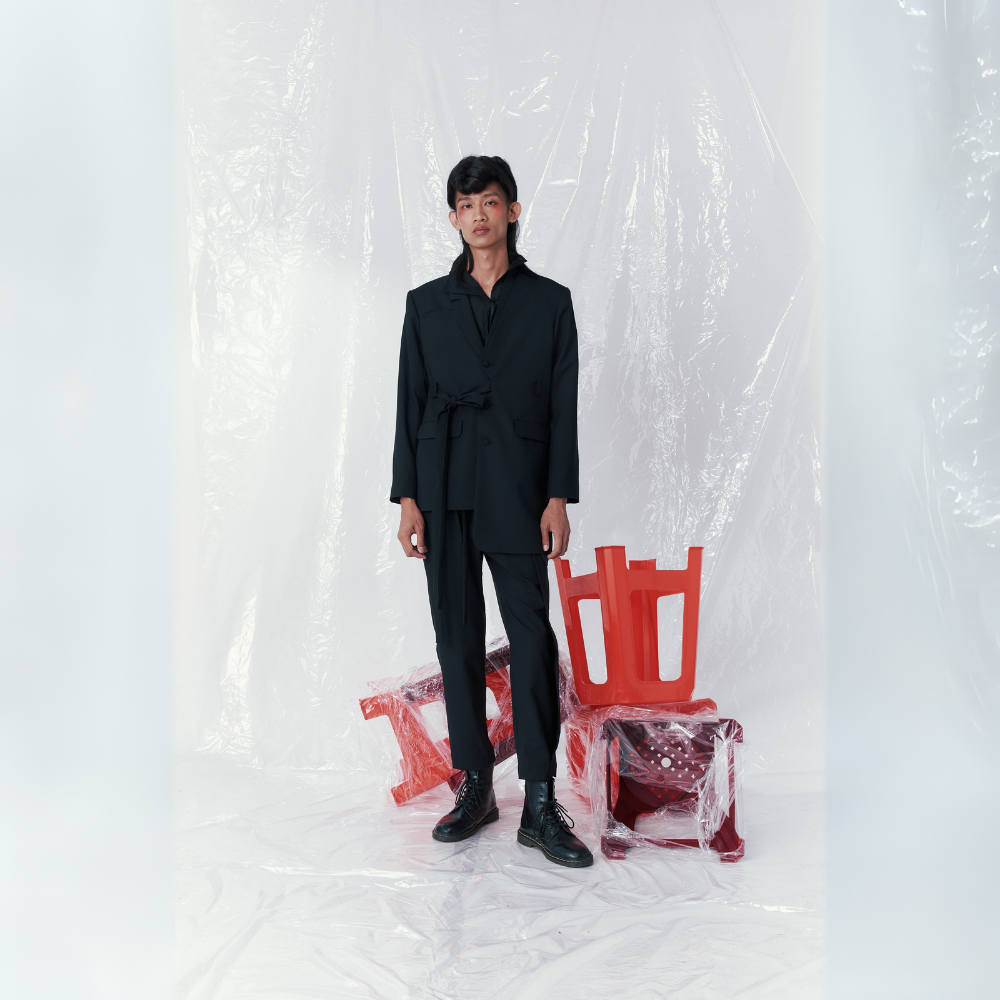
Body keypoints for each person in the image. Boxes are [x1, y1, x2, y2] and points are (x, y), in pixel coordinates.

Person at [389, 154, 593, 868]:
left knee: (532, 637)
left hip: (517, 485)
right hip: (442, 483)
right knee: (457, 636)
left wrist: (557, 496)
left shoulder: (549, 302)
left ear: (512, 211)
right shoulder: (425, 304)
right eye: (465, 204)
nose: (478, 215)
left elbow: (563, 407)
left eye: (490, 202)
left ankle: (539, 800)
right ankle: (475, 786)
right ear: (453, 217)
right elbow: (409, 401)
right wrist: (408, 496)